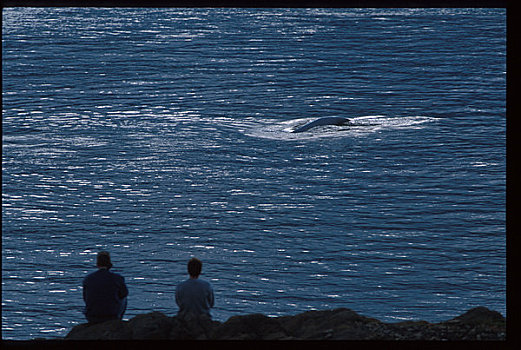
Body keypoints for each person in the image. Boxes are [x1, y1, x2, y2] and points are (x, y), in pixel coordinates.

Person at [82, 251, 128, 324]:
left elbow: (85, 298)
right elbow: (124, 294)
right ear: (109, 264)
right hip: (111, 315)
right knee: (124, 297)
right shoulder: (118, 278)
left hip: (92, 316)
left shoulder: (88, 279)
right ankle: (118, 321)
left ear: (97, 264)